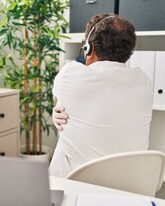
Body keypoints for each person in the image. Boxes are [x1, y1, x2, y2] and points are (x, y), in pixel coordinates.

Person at [49, 13, 153, 178]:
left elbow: (58, 99)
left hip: (75, 188)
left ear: (90, 47)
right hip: (127, 188)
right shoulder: (144, 81)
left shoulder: (70, 73)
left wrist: (57, 109)